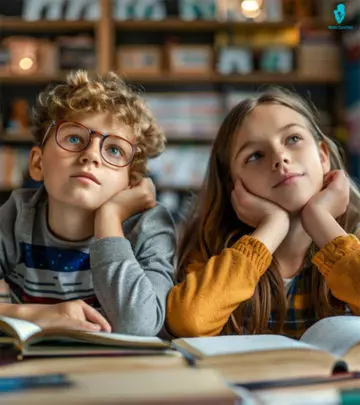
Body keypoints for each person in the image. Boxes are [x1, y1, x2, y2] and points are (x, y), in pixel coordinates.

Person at [166, 87, 360, 339]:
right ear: (233, 185)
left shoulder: (352, 234)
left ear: (323, 156)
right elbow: (189, 322)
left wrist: (322, 221)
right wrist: (272, 226)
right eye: (255, 155)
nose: (280, 158)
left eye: (292, 139)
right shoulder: (215, 248)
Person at [0, 70, 176, 336]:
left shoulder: (150, 227)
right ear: (37, 164)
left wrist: (110, 217)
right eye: (73, 138)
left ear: (132, 183)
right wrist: (39, 315)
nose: (91, 155)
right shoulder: (16, 215)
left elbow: (139, 325)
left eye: (114, 150)